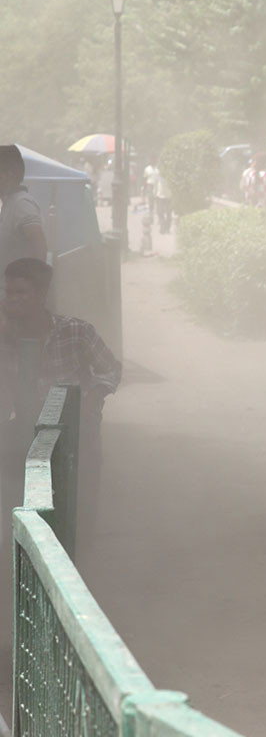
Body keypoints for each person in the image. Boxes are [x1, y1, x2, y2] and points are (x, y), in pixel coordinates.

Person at [0, 258, 121, 556]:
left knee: (80, 506)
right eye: (8, 292)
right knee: (21, 500)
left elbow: (109, 369)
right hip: (25, 434)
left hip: (78, 434)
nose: (11, 299)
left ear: (41, 296)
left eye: (20, 293)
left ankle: (77, 568)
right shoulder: (4, 337)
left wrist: (93, 401)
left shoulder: (76, 331)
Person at [0, 146, 47, 273]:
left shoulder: (22, 205)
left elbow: (39, 251)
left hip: (18, 291)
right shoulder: (9, 204)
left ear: (9, 175)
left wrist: (34, 290)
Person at [143, 158, 172, 234]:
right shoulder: (157, 176)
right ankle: (163, 227)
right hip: (159, 197)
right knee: (160, 212)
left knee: (168, 213)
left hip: (168, 196)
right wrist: (154, 194)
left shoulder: (170, 176)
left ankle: (167, 228)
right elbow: (155, 186)